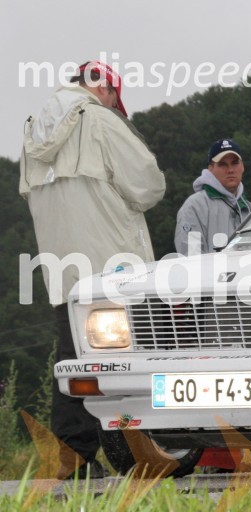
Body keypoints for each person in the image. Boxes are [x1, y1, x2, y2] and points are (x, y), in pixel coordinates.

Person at [19, 61, 166, 478]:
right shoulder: (100, 120)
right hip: (113, 269)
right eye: (117, 100)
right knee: (132, 361)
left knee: (74, 364)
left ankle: (73, 458)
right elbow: (150, 185)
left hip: (64, 271)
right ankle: (146, 452)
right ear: (108, 92)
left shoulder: (32, 132)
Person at [174, 139, 251, 255]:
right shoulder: (193, 207)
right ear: (211, 169)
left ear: (242, 167)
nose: (230, 170)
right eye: (223, 164)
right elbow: (190, 257)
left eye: (234, 163)